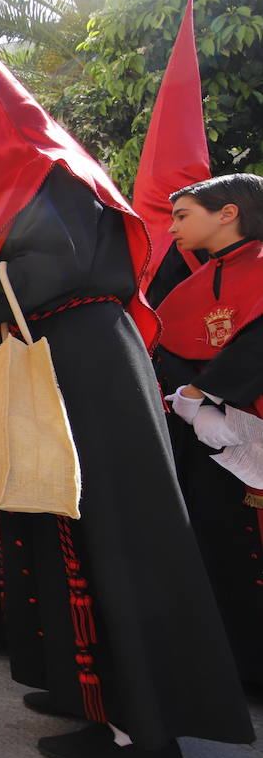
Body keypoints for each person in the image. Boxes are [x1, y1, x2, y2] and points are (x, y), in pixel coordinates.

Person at [0, 0, 251, 758]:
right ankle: (90, 693)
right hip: (78, 362)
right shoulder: (57, 176)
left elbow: (51, 268)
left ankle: (140, 726)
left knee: (105, 538)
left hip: (87, 369)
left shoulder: (50, 175)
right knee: (68, 534)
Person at [155, 175, 263, 689]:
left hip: (249, 426)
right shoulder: (189, 284)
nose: (172, 227)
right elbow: (170, 342)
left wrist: (206, 395)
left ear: (228, 213)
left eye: (182, 215)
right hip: (200, 435)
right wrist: (186, 400)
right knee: (212, 540)